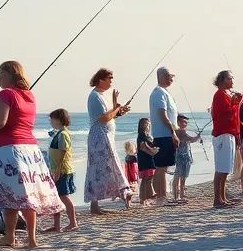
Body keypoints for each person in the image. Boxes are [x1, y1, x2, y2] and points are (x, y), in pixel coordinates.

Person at [0, 61, 63, 248]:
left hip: (7, 151)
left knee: (11, 196)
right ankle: (28, 238)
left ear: (9, 74)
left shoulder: (5, 94)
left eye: (0, 73)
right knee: (24, 196)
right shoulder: (29, 96)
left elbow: (0, 123)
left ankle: (13, 237)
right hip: (29, 151)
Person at [84, 68, 133, 214]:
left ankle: (120, 194)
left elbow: (109, 116)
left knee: (108, 166)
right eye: (109, 78)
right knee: (102, 167)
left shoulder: (100, 96)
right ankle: (119, 195)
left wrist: (118, 111)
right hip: (100, 137)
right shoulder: (95, 97)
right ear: (101, 79)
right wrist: (116, 108)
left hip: (105, 135)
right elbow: (103, 118)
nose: (111, 81)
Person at [148, 67, 181, 205]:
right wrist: (173, 132)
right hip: (163, 135)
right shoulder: (158, 93)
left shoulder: (165, 92)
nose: (171, 79)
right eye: (169, 76)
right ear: (161, 76)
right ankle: (161, 197)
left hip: (167, 134)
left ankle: (163, 195)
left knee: (165, 166)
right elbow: (163, 114)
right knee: (161, 167)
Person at [210, 71, 243, 208]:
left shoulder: (225, 95)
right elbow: (226, 114)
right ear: (223, 80)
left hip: (229, 133)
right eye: (230, 78)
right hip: (223, 133)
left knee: (225, 169)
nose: (232, 81)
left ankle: (222, 197)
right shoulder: (220, 95)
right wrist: (235, 102)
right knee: (221, 168)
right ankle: (218, 199)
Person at [44, 108, 78, 233]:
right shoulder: (59, 133)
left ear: (58, 120)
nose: (50, 122)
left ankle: (73, 222)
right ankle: (56, 225)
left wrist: (58, 170)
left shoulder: (63, 134)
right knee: (57, 197)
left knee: (63, 196)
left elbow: (64, 152)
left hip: (62, 170)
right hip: (57, 169)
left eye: (52, 119)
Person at [174, 114, 202, 201]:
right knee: (182, 175)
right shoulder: (180, 132)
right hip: (183, 156)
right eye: (184, 122)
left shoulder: (177, 132)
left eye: (186, 123)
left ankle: (179, 193)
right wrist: (198, 136)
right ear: (178, 122)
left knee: (180, 175)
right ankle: (181, 193)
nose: (186, 124)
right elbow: (191, 139)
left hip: (181, 156)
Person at [135, 118, 159, 204]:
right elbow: (144, 148)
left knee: (146, 179)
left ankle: (144, 198)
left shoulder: (142, 136)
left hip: (144, 159)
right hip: (146, 160)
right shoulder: (142, 136)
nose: (149, 127)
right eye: (148, 125)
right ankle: (146, 197)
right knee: (147, 179)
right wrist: (154, 150)